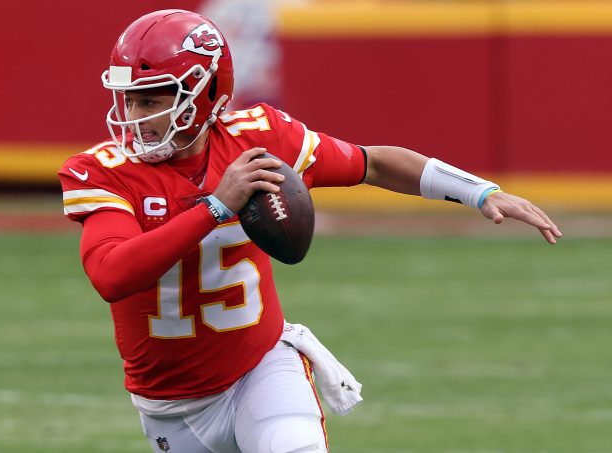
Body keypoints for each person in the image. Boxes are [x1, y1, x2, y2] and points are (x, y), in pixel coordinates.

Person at [58, 9, 562, 453]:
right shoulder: (102, 170)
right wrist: (214, 206)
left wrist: (478, 191)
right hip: (170, 407)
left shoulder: (259, 138)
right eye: (131, 100)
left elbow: (375, 164)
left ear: (206, 92)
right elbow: (110, 273)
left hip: (260, 369)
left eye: (153, 100)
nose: (137, 118)